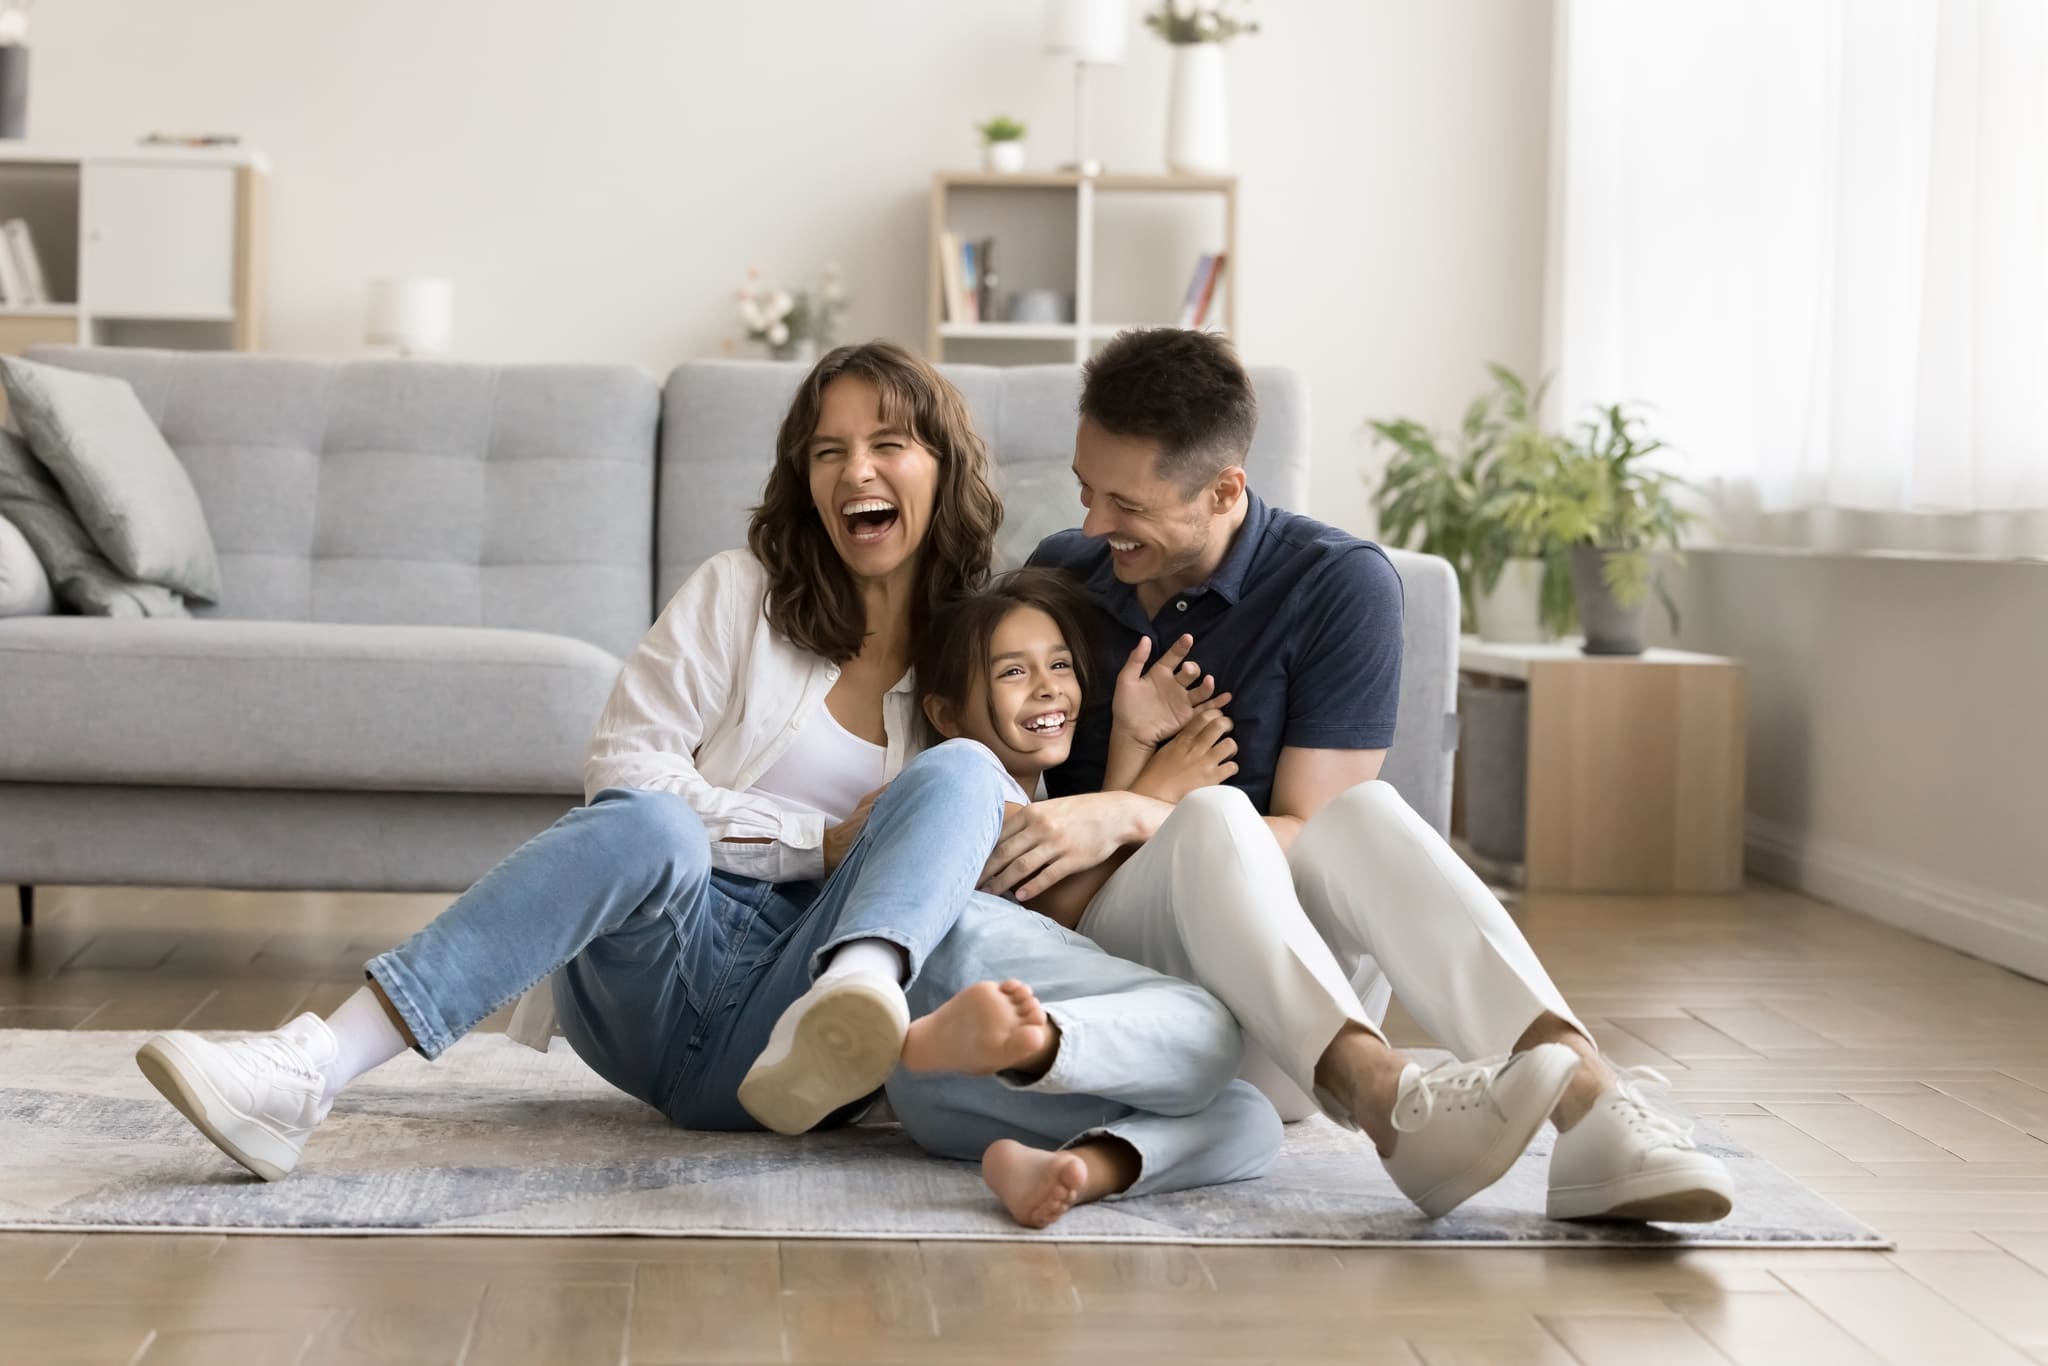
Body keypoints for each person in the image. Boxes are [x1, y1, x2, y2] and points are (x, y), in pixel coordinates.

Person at [133, 341, 1035, 1178]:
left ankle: (858, 996)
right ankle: (312, 1067)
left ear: (943, 468)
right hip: (659, 978)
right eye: (828, 452)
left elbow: (1011, 842)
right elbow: (628, 768)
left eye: (889, 444)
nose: (857, 471)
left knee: (965, 777)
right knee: (654, 823)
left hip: (797, 1018)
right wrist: (818, 842)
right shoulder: (738, 593)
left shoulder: (984, 656)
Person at [983, 328, 1733, 1223]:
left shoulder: (1337, 586)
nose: (1094, 527)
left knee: (1363, 815)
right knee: (1216, 817)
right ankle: (1387, 1100)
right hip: (1132, 1006)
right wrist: (1154, 805)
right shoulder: (1066, 574)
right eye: (1084, 490)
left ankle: (1595, 1109)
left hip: (1288, 1023)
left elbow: (1312, 832)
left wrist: (1125, 813)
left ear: (1226, 488)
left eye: (1127, 504)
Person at [889, 568, 1573, 1223]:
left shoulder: (1047, 798)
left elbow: (1082, 897)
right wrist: (1148, 794)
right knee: (1209, 1023)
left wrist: (1129, 773)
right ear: (947, 713)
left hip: (1073, 1084)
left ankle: (1084, 1168)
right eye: (1014, 671)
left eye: (1061, 666)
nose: (1047, 688)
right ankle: (1381, 1087)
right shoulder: (964, 788)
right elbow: (1057, 920)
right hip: (989, 1056)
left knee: (1250, 1118)